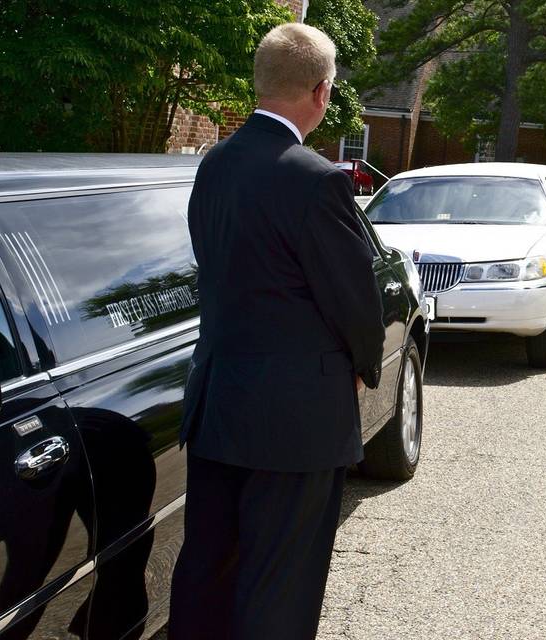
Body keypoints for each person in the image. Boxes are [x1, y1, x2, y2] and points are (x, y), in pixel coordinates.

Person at [169, 23, 386, 640]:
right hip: (295, 423)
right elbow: (355, 300)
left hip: (218, 403)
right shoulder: (317, 180)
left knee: (208, 573)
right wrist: (364, 371)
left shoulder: (213, 165)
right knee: (278, 589)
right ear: (321, 93)